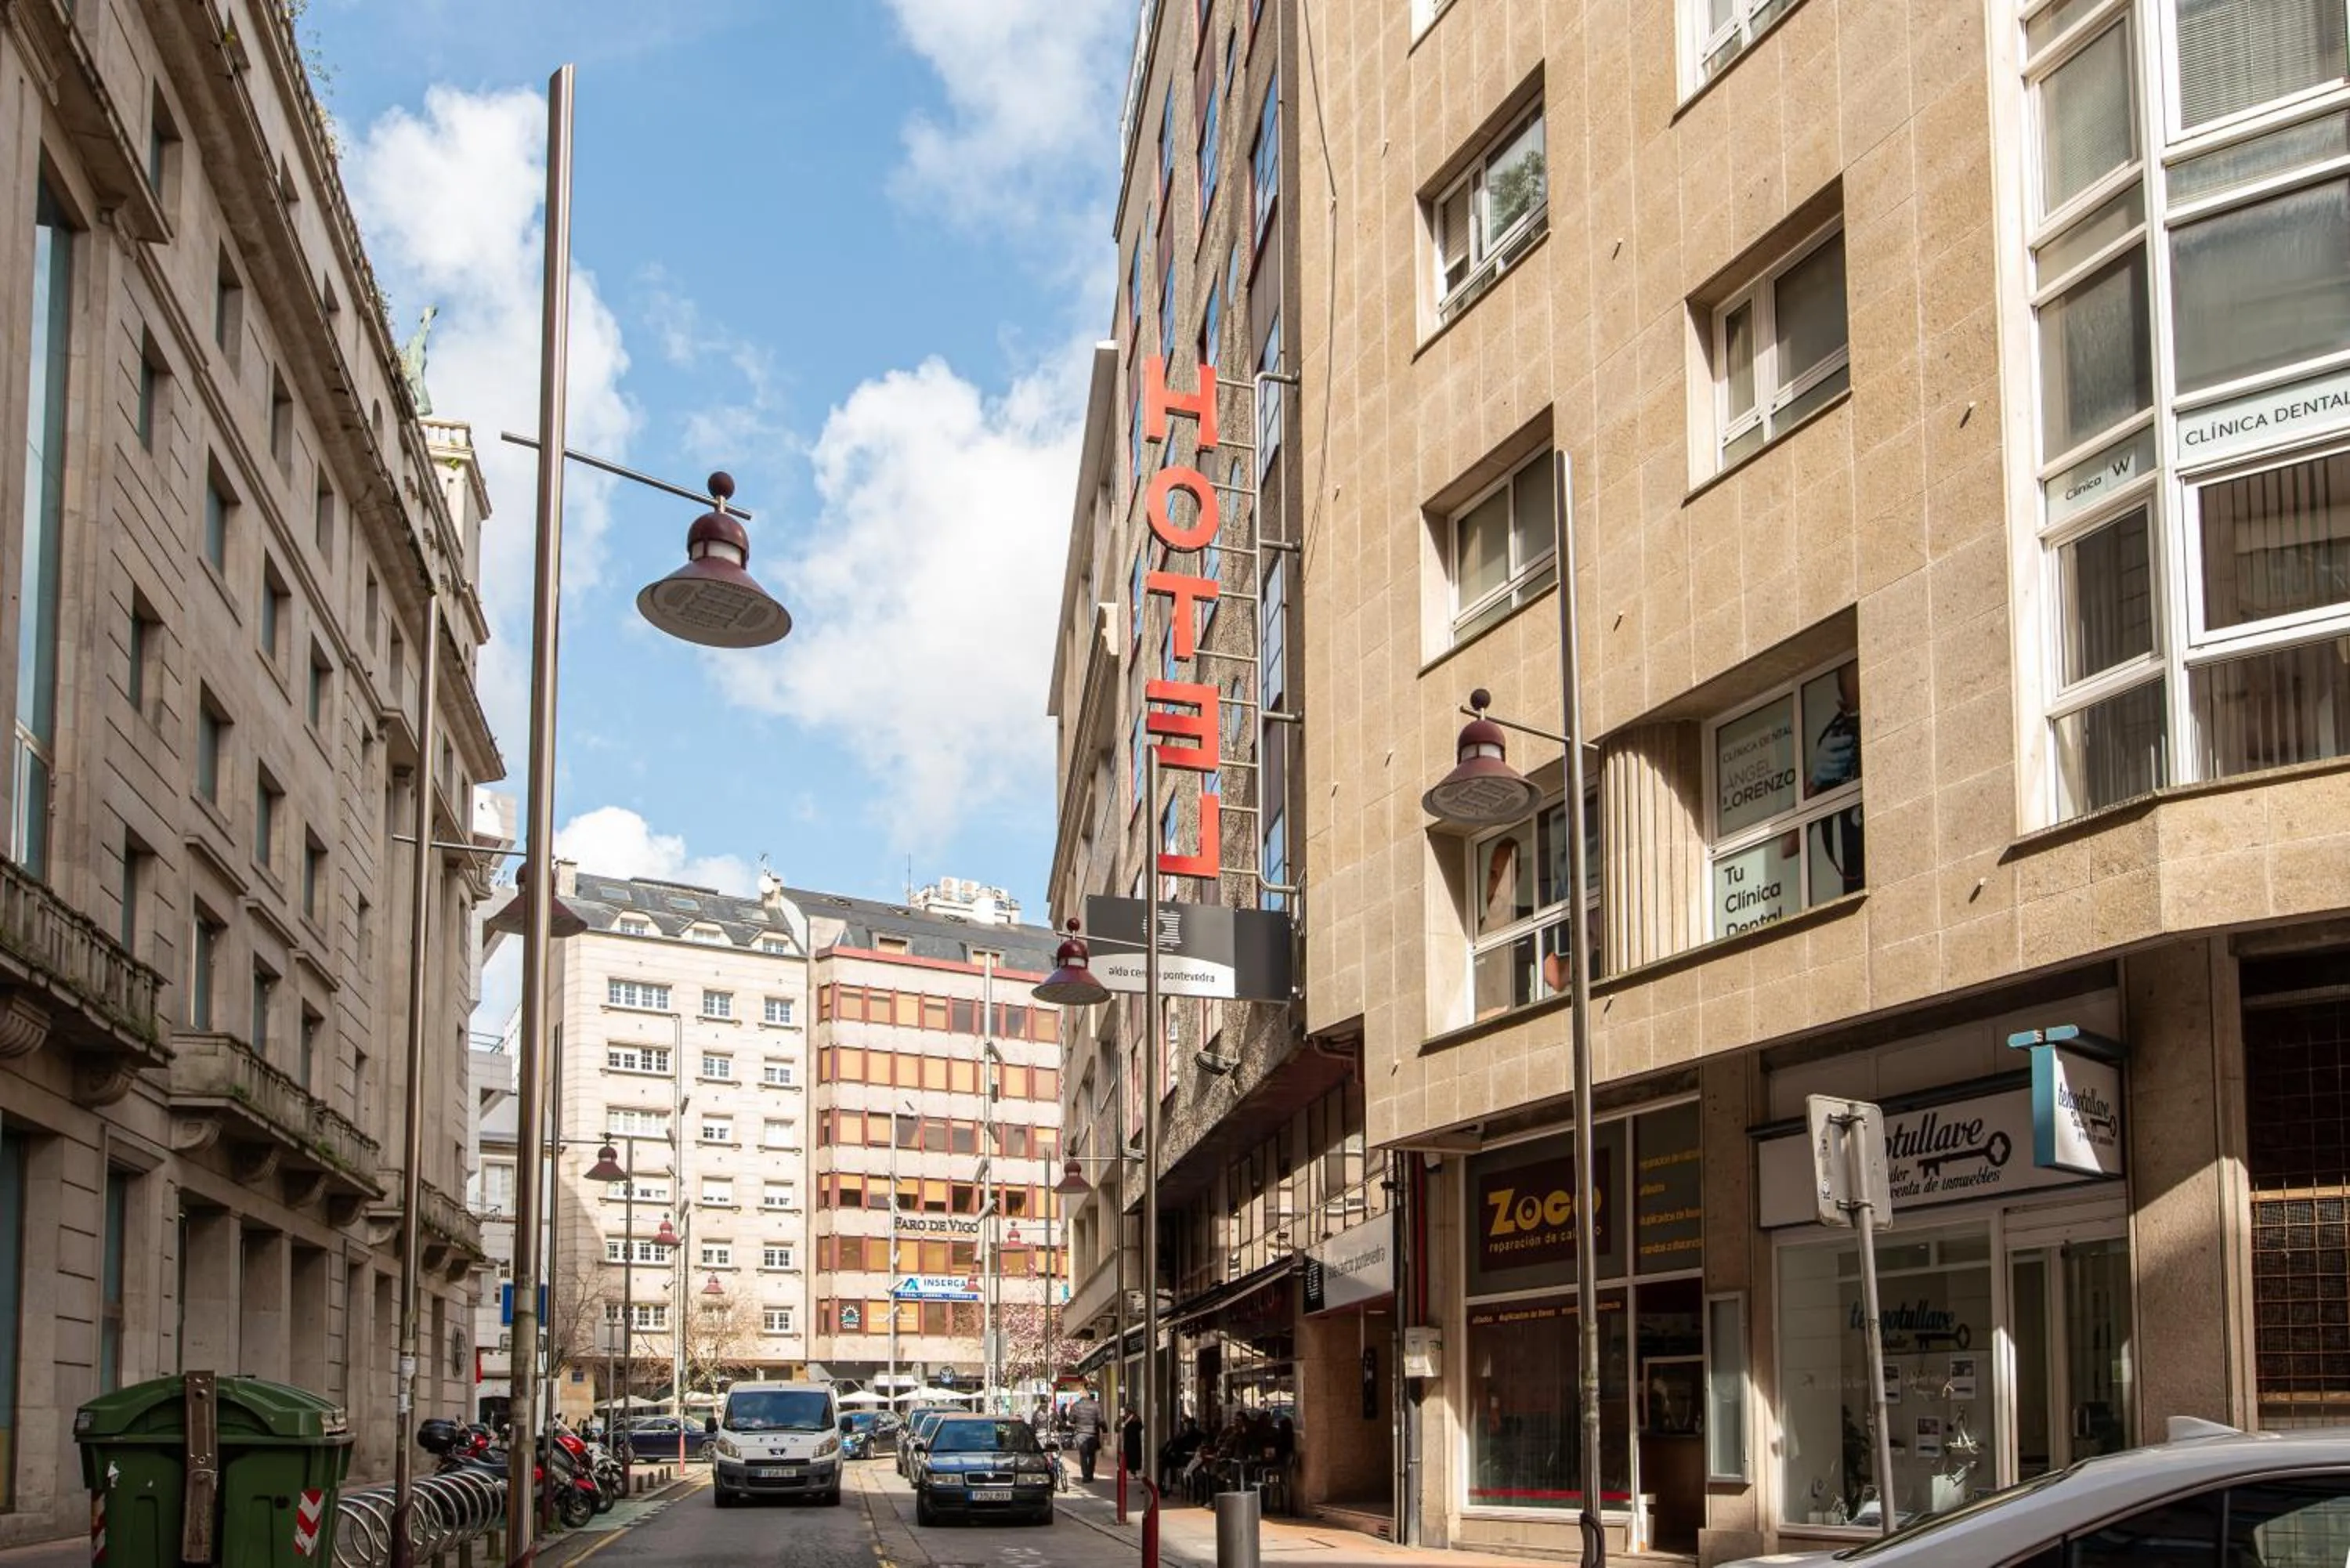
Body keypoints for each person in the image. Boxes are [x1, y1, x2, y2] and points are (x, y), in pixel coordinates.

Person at [1068, 1386, 1105, 1483]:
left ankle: (1085, 1476)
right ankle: (1091, 1475)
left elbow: (1071, 1420)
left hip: (1080, 1433)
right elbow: (1101, 1420)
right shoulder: (1096, 1405)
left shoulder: (1076, 1406)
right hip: (1092, 1433)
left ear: (1080, 1396)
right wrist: (1105, 1430)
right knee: (1092, 1455)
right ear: (1088, 1395)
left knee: (1083, 1455)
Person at [1119, 1404, 1144, 1482]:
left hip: (1128, 1440)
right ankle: (1134, 1473)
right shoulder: (1137, 1418)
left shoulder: (1125, 1418)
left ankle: (1131, 1472)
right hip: (1136, 1440)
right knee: (1135, 1457)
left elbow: (1119, 1427)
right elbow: (1140, 1427)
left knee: (1129, 1456)